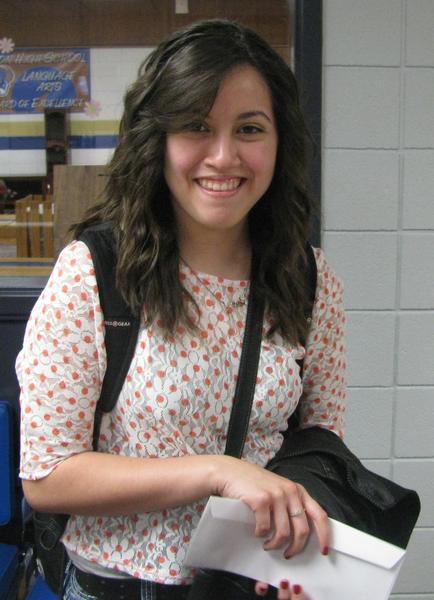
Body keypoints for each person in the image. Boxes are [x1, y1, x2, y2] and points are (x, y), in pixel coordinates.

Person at [17, 18, 346, 600]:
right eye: (196, 125)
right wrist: (219, 472)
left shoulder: (310, 280)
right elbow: (48, 477)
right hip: (115, 587)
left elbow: (319, 443)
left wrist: (295, 530)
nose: (223, 156)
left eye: (249, 128)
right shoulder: (94, 274)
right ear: (158, 139)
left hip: (248, 582)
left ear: (279, 142)